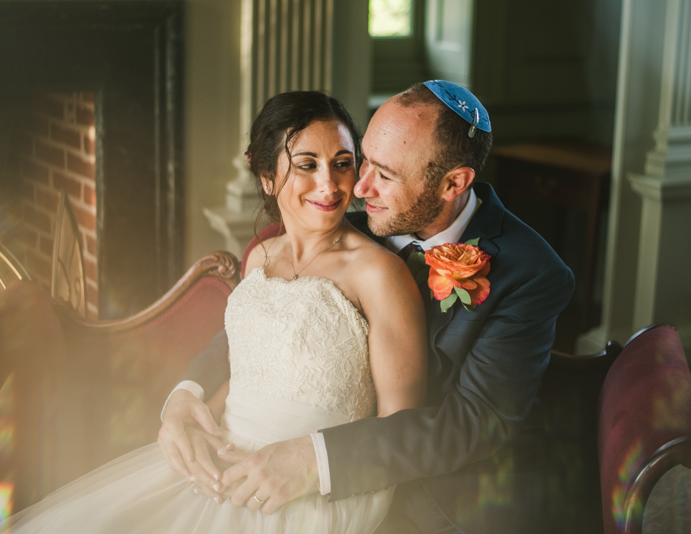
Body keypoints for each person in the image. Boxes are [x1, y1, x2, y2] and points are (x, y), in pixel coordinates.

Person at [0, 91, 429, 534]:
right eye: (307, 164)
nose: (330, 186)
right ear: (266, 177)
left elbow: (402, 428)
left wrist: (313, 470)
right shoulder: (259, 259)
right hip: (224, 460)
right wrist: (189, 414)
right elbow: (254, 371)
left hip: (315, 491)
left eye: (342, 163)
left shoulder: (378, 274)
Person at [160, 81, 575, 534]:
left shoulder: (531, 272)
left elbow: (474, 423)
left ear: (453, 182)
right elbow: (260, 329)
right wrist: (186, 394)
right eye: (363, 161)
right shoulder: (345, 226)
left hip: (449, 498)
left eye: (385, 173)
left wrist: (314, 459)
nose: (356, 186)